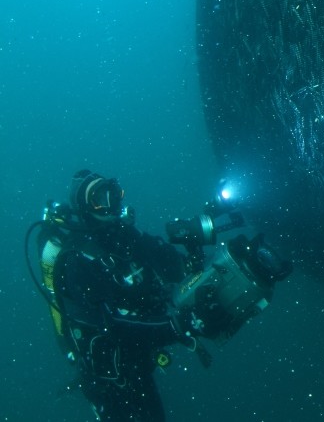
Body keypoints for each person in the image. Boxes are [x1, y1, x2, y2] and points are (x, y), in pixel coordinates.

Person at [36, 170, 207, 422]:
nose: (111, 204)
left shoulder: (124, 235)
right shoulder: (75, 260)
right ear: (85, 206)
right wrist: (177, 326)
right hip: (108, 379)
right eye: (100, 198)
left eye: (113, 194)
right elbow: (112, 325)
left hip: (139, 361)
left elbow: (172, 266)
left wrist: (193, 251)